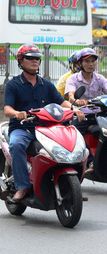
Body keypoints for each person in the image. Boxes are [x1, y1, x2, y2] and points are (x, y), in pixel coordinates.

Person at [3, 44, 85, 202]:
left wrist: (74, 109)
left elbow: (61, 102)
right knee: (16, 145)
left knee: (73, 142)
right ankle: (22, 186)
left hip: (47, 128)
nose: (34, 61)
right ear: (21, 61)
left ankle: (72, 187)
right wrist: (17, 113)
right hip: (23, 129)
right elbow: (7, 109)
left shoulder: (46, 84)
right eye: (30, 58)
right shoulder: (13, 85)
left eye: (37, 58)